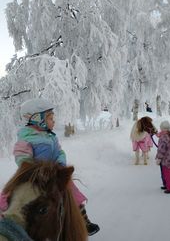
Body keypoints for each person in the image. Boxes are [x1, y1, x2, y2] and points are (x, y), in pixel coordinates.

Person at [0, 98, 100, 235]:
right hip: (35, 176)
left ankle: (82, 220)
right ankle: (7, 220)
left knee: (71, 192)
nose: (54, 121)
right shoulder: (27, 137)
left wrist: (60, 163)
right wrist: (32, 168)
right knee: (12, 195)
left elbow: (60, 151)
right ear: (38, 119)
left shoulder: (51, 137)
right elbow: (21, 156)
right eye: (50, 118)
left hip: (55, 174)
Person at [155, 120, 170, 194]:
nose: (160, 129)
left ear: (163, 128)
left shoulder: (163, 137)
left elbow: (161, 149)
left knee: (167, 174)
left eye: (161, 128)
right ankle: (167, 185)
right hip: (169, 158)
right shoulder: (169, 134)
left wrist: (159, 158)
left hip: (165, 159)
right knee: (165, 173)